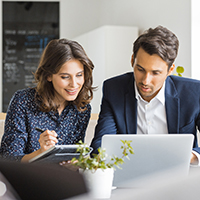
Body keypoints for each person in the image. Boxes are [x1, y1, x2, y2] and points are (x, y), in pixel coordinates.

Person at [91, 25, 200, 165]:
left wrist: (190, 156)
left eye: (155, 73)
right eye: (140, 69)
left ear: (170, 70)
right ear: (132, 61)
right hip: (129, 174)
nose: (145, 81)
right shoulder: (114, 89)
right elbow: (100, 144)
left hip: (177, 177)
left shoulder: (193, 93)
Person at [0, 38, 95, 162]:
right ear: (49, 75)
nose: (74, 84)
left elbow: (74, 156)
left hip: (62, 179)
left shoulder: (82, 109)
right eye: (65, 77)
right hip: (27, 179)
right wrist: (42, 152)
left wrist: (75, 164)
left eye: (79, 75)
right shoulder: (22, 101)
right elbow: (8, 159)